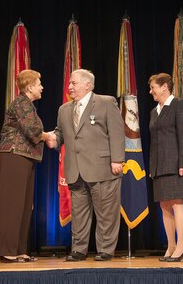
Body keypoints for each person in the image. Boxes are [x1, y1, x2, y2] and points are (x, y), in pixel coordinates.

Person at [47, 69, 125, 261]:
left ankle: (106, 250)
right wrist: (53, 139)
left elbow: (116, 132)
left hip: (103, 167)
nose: (69, 87)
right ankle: (79, 250)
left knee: (106, 213)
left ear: (87, 85)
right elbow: (60, 134)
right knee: (79, 214)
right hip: (75, 170)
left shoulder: (106, 103)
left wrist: (117, 159)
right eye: (70, 83)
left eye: (74, 83)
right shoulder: (64, 109)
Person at [0, 69, 53, 263]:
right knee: (12, 204)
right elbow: (33, 130)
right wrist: (49, 136)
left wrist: (45, 136)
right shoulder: (21, 102)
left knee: (23, 205)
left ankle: (20, 250)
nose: (42, 87)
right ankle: (7, 250)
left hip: (24, 156)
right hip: (13, 154)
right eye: (39, 84)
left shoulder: (28, 105)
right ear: (29, 87)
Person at [148, 73, 183, 262]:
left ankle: (181, 246)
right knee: (164, 206)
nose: (151, 91)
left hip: (175, 164)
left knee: (176, 203)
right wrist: (152, 166)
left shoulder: (179, 105)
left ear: (164, 86)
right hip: (159, 166)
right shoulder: (154, 111)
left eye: (153, 88)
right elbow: (154, 141)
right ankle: (171, 246)